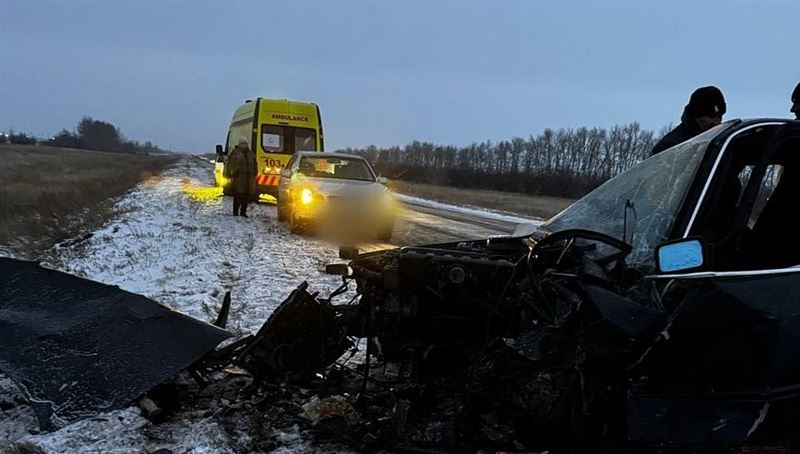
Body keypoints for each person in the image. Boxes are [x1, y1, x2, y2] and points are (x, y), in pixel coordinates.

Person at [651, 86, 726, 156]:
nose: (717, 121)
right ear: (697, 117)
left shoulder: (724, 141)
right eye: (711, 117)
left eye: (720, 116)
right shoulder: (670, 146)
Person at [224, 137, 257, 217]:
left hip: (249, 178)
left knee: (246, 196)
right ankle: (235, 212)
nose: (244, 145)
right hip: (239, 178)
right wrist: (229, 174)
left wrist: (255, 173)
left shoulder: (250, 154)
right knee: (238, 195)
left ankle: (243, 212)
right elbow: (230, 164)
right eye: (243, 143)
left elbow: (255, 164)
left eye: (245, 144)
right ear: (239, 144)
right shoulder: (235, 153)